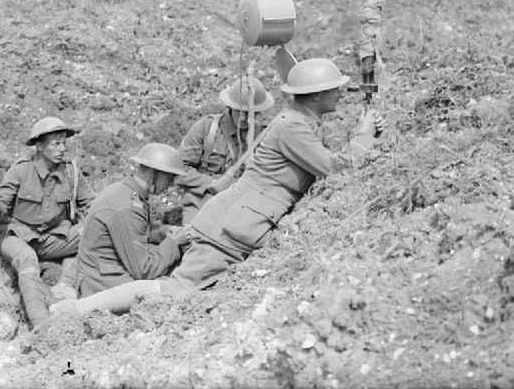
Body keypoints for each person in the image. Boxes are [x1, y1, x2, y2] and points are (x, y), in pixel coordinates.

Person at [50, 58, 384, 316]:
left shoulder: (297, 122)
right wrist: (364, 137)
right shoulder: (292, 127)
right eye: (335, 88)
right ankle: (75, 311)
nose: (341, 93)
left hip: (230, 222)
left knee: (175, 288)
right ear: (316, 95)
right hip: (227, 228)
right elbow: (335, 168)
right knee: (175, 291)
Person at [0, 116, 95, 329]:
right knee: (27, 259)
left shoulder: (71, 172)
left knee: (93, 234)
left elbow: (91, 205)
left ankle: (65, 288)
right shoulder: (21, 170)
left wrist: (95, 221)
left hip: (53, 239)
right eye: (56, 143)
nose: (62, 148)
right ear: (40, 146)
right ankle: (42, 326)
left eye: (64, 143)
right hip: (16, 236)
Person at [76, 143, 192, 298]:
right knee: (175, 290)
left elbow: (141, 230)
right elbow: (144, 270)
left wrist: (164, 232)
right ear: (153, 174)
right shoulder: (128, 207)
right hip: (102, 285)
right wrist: (173, 243)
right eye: (170, 177)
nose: (171, 184)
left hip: (106, 272)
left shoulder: (127, 191)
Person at [176, 76, 275, 224]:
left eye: (248, 114)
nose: (243, 119)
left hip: (241, 205)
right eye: (238, 112)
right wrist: (213, 182)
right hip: (201, 200)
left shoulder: (264, 136)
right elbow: (179, 170)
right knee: (192, 239)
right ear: (230, 107)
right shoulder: (207, 128)